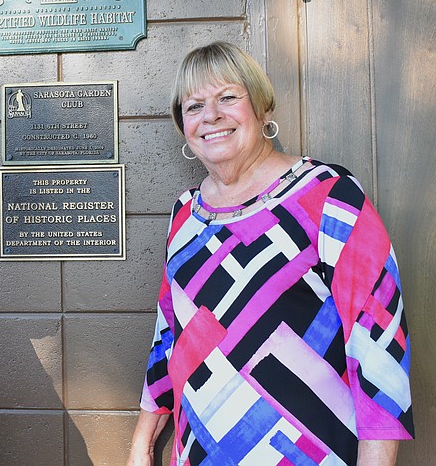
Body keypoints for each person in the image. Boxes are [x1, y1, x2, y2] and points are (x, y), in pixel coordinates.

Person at [127, 41, 414, 466]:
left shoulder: (328, 195)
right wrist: (143, 441)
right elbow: (170, 333)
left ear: (261, 108)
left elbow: (380, 341)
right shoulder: (185, 213)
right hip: (201, 452)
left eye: (228, 98)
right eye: (194, 106)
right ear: (183, 126)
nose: (211, 116)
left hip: (309, 452)